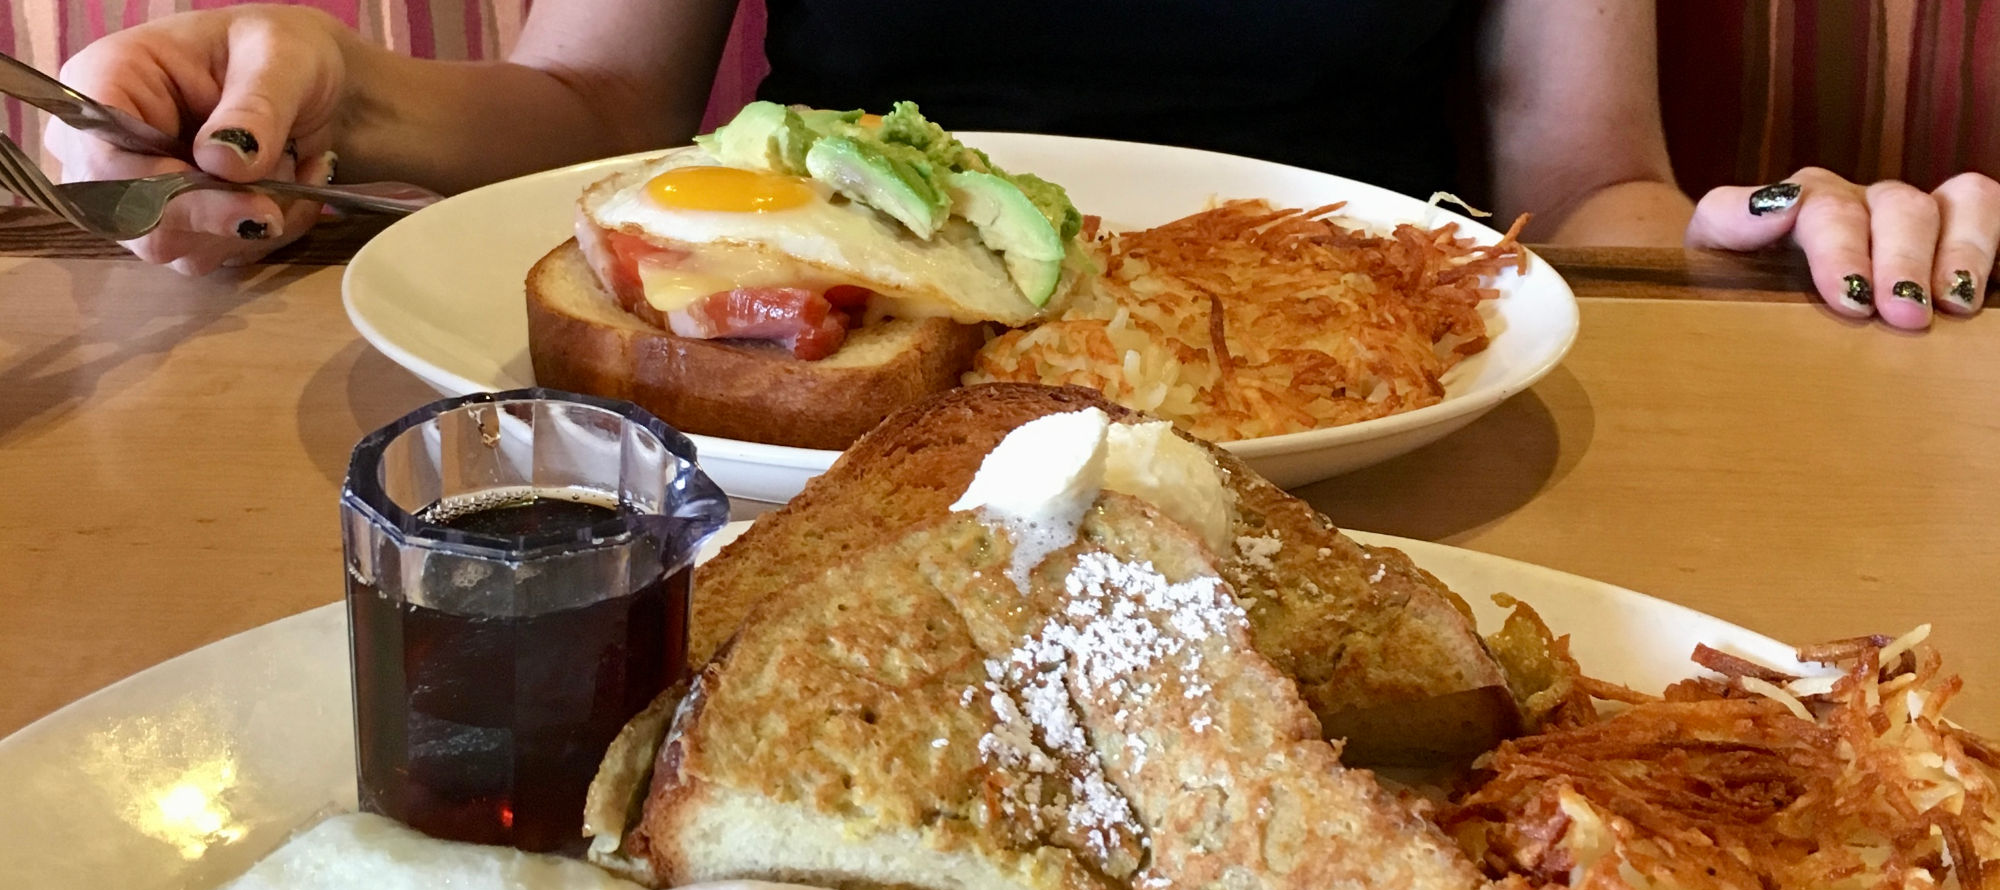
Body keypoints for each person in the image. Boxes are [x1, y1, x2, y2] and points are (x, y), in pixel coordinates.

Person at [46, 0, 2000, 330]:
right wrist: (320, 102)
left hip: (1374, 432)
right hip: (829, 411)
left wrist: (1773, 250)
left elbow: (1583, 191)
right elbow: (584, 114)